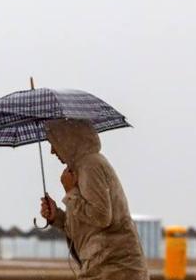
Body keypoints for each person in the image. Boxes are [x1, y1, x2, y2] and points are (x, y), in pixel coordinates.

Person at [40, 118, 149, 280]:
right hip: (104, 267)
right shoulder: (80, 168)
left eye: (54, 142)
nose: (52, 151)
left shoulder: (90, 165)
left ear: (68, 139)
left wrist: (71, 193)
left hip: (114, 268)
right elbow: (87, 227)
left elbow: (101, 217)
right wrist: (57, 216)